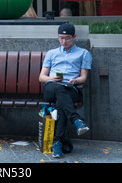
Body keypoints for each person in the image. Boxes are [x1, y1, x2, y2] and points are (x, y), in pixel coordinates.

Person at [39, 23, 92, 158]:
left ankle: (57, 142)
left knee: (61, 104)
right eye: (61, 38)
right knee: (58, 89)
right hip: (51, 87)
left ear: (74, 37)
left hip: (70, 88)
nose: (64, 41)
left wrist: (75, 81)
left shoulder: (84, 53)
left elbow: (83, 78)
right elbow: (41, 77)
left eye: (67, 38)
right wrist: (52, 78)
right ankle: (76, 120)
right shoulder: (52, 53)